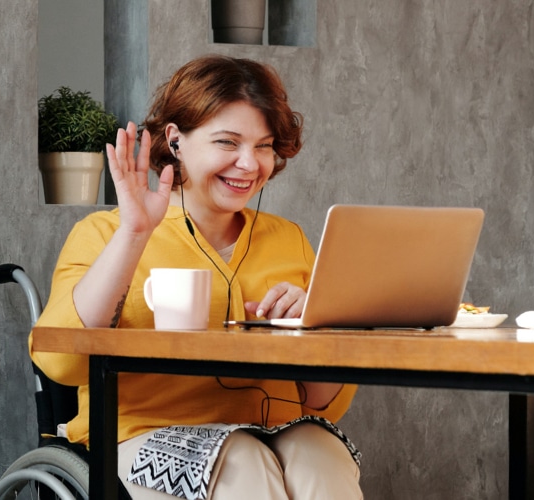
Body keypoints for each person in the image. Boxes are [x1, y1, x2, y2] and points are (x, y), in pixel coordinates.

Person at [30, 55, 362, 500]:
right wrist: (135, 233)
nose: (249, 164)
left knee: (321, 455)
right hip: (141, 436)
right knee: (244, 461)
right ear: (176, 140)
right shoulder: (104, 234)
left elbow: (321, 402)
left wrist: (315, 326)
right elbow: (61, 362)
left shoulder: (289, 240)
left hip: (278, 430)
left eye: (263, 145)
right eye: (228, 142)